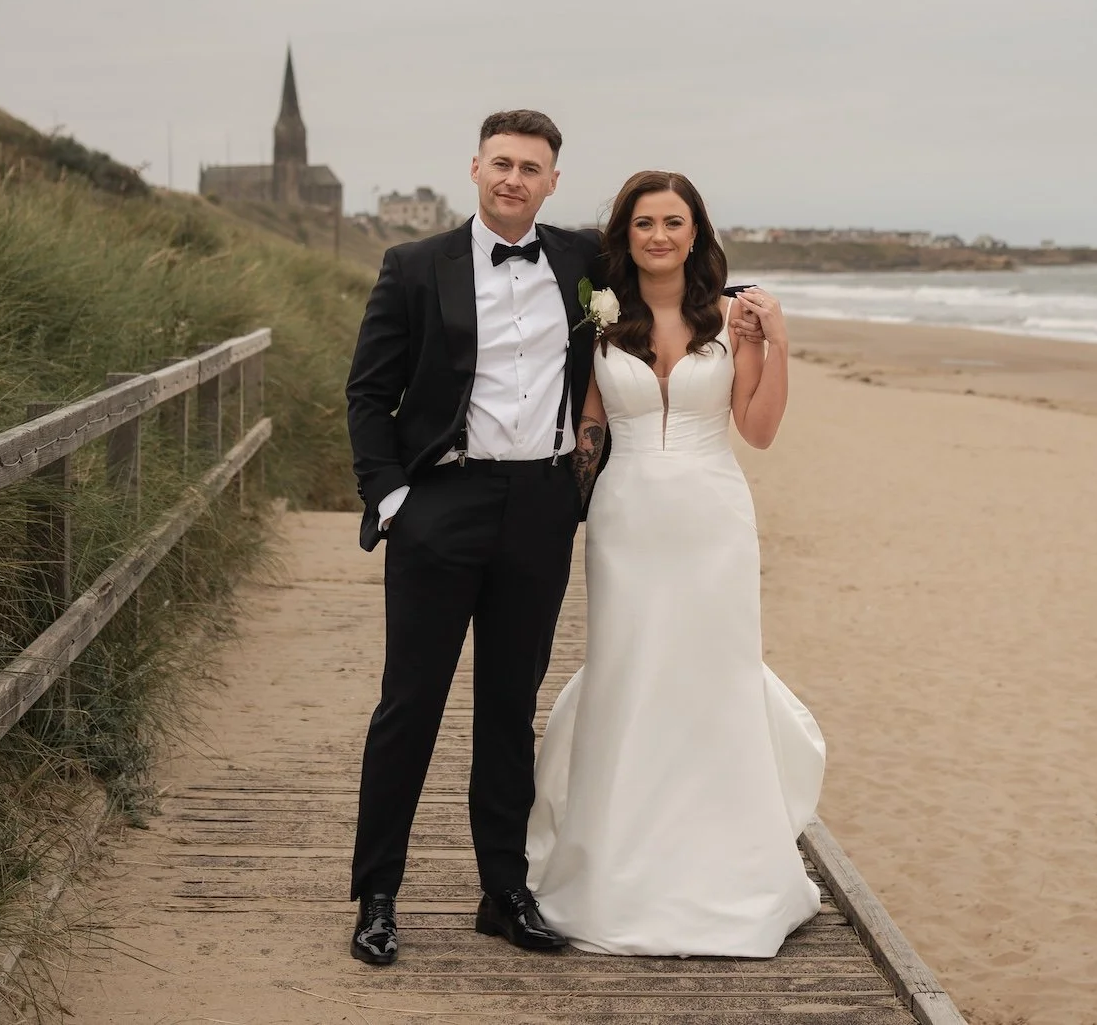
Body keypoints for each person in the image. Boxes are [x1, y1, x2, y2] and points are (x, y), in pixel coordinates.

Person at [526, 169, 826, 957]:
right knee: (629, 669)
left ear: (696, 234)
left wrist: (778, 342)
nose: (658, 235)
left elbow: (758, 430)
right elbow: (589, 425)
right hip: (625, 520)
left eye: (673, 222)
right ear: (625, 235)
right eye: (644, 222)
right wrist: (556, 513)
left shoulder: (732, 318)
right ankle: (615, 864)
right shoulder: (600, 315)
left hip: (712, 520)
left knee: (711, 674)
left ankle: (725, 865)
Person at [343, 109, 603, 966]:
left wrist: (746, 308)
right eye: (502, 163)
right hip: (442, 504)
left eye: (531, 167)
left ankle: (504, 891)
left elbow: (674, 262)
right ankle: (378, 894)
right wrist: (393, 500)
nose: (513, 178)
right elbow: (368, 393)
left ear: (553, 182)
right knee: (409, 703)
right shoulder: (415, 265)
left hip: (540, 508)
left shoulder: (582, 262)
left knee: (509, 707)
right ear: (475, 168)